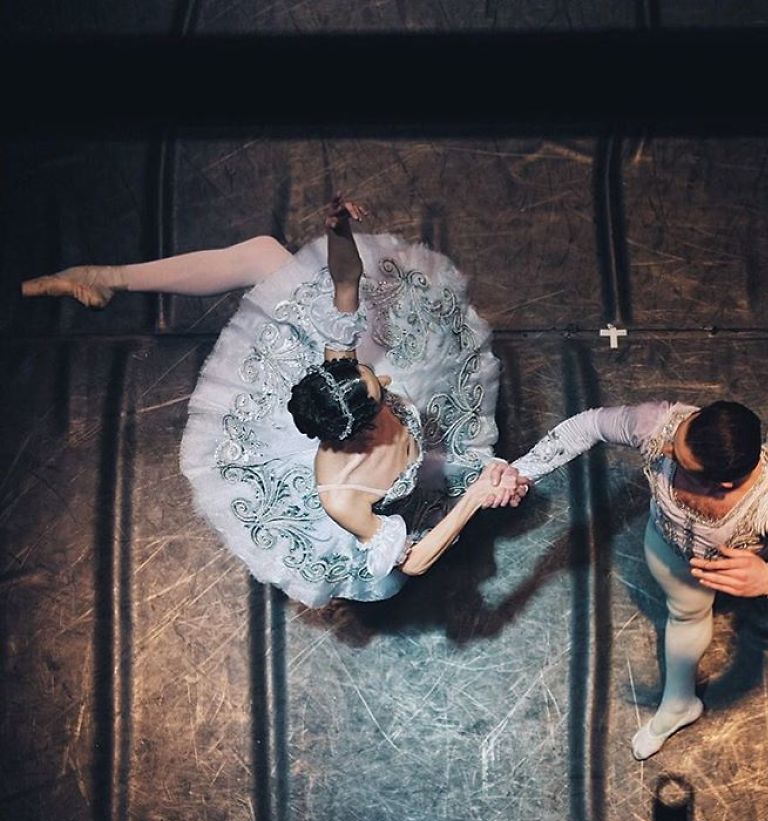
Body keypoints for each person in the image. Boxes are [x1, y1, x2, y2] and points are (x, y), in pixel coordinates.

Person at [22, 196, 528, 607]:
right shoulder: (342, 497)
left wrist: (336, 230)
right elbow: (412, 562)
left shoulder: (339, 360)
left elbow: (346, 280)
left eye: (367, 375)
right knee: (265, 257)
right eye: (377, 390)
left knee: (268, 256)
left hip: (354, 422)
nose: (383, 373)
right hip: (359, 476)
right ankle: (105, 278)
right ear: (360, 430)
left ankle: (108, 278)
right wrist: (473, 498)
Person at [501, 400, 768, 759]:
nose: (665, 449)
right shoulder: (661, 425)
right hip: (668, 546)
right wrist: (521, 472)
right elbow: (588, 425)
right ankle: (682, 703)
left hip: (711, 563)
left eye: (681, 462)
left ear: (722, 485)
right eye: (677, 437)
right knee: (684, 608)